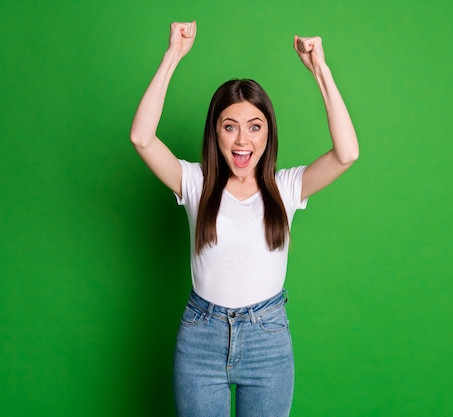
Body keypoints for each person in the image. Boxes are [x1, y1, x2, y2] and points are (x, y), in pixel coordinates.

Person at [130, 21, 359, 417]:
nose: (242, 141)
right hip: (201, 337)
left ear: (267, 134)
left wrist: (320, 69)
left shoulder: (285, 187)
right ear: (215, 133)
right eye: (230, 127)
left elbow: (346, 153)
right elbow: (142, 138)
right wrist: (173, 56)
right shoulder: (195, 182)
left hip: (267, 340)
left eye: (255, 127)